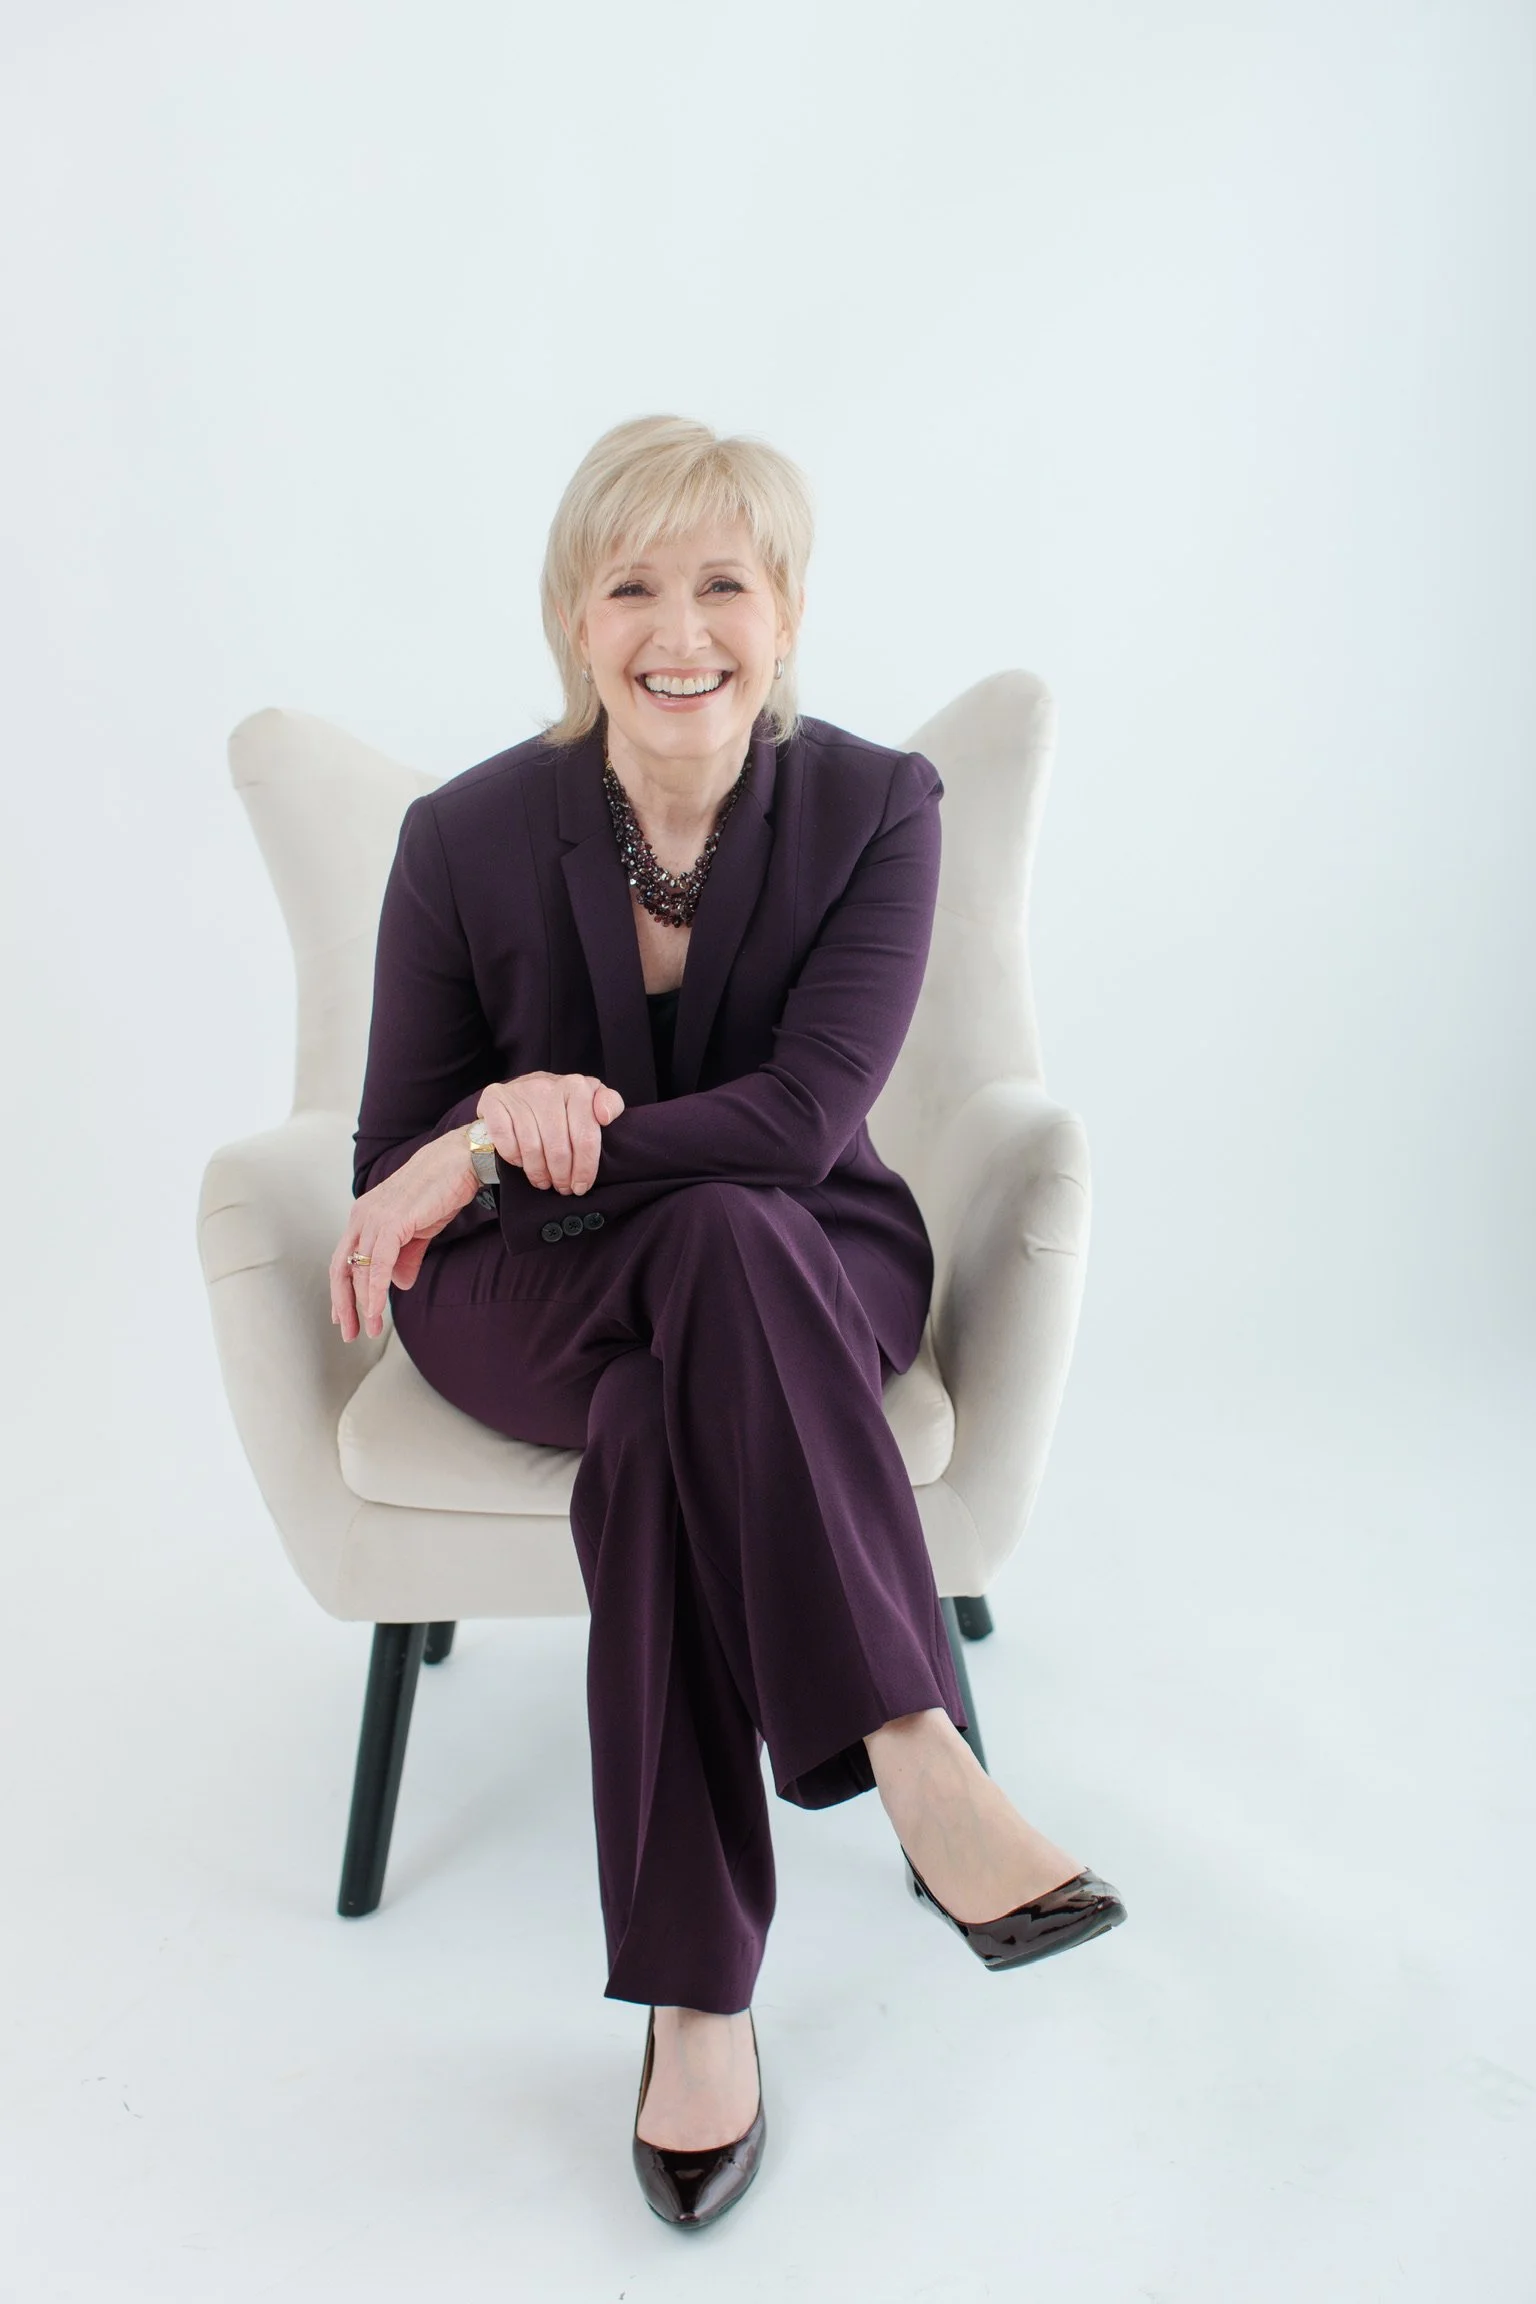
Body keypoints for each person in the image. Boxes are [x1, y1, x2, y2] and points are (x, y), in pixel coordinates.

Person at [328, 414, 1125, 2229]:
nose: (678, 631)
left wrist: (517, 1137)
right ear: (574, 621)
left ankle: (698, 1999)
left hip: (804, 1259)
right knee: (700, 1261)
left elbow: (802, 1121)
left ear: (786, 614)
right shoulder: (461, 837)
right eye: (631, 587)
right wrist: (476, 1143)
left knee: (687, 1346)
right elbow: (392, 1163)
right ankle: (913, 1748)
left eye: (722, 585)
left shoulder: (878, 808)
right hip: (524, 1292)